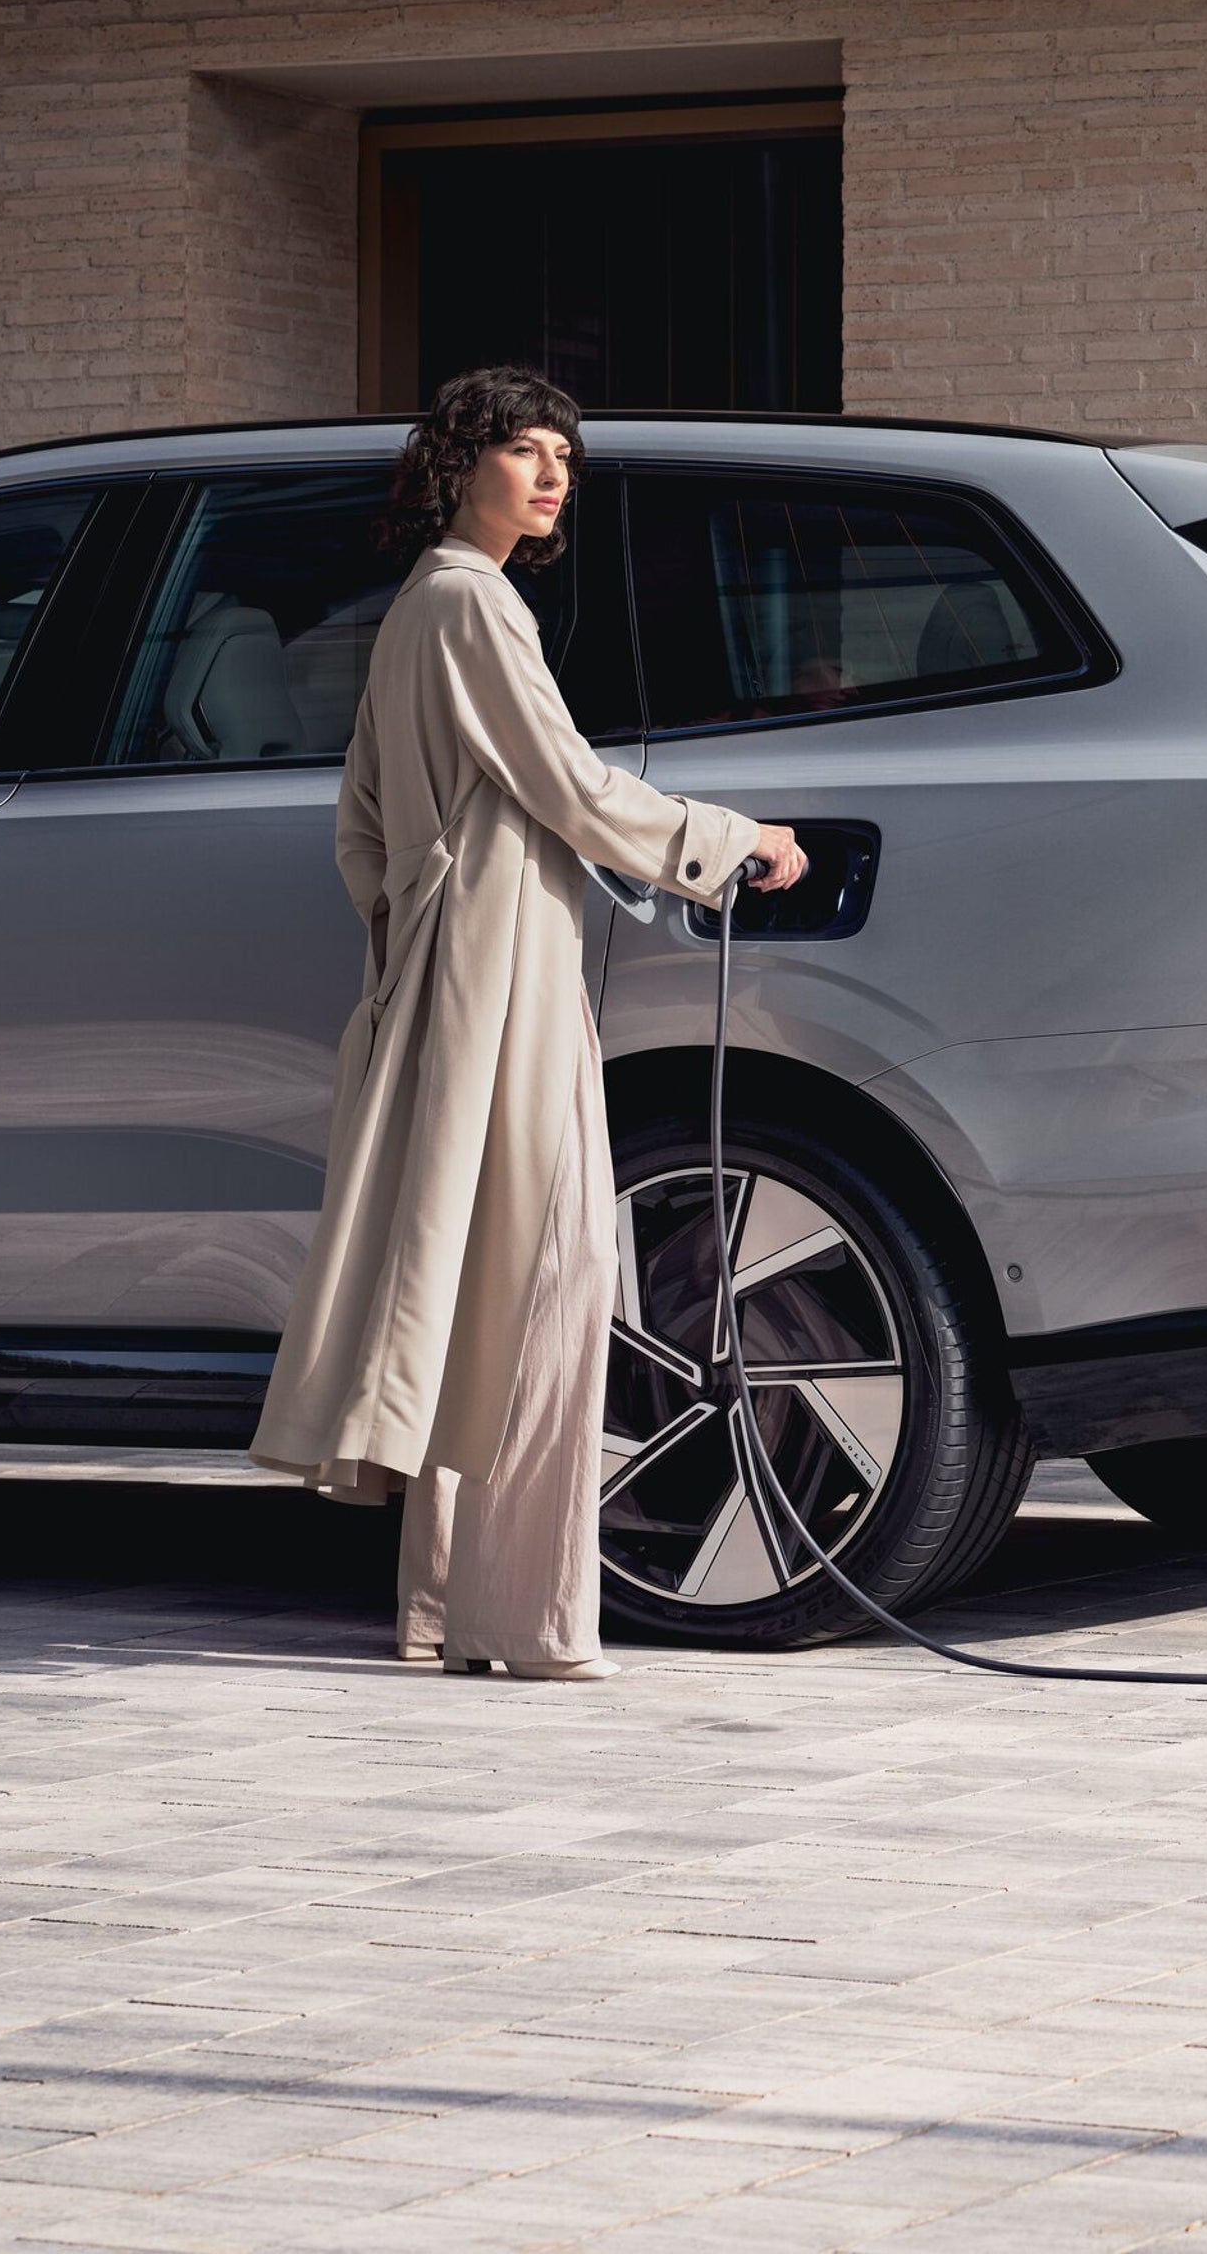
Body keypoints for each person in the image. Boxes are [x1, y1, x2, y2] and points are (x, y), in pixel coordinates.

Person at [250, 369, 804, 1681]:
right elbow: (568, 786)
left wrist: (420, 928)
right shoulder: (471, 605)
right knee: (555, 1282)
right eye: (522, 450)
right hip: (502, 982)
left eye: (563, 455)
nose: (550, 475)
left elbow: (362, 831)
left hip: (460, 975)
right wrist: (732, 842)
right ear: (459, 465)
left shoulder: (418, 612)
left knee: (482, 1282)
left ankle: (455, 1612)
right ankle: (535, 1624)